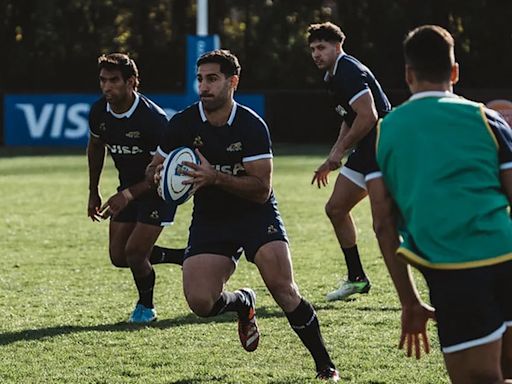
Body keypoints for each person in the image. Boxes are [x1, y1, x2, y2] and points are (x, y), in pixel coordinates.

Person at [146, 49, 339, 381]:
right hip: (211, 217)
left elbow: (261, 189)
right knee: (201, 302)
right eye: (200, 79)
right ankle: (242, 302)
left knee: (283, 288)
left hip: (255, 214)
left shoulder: (250, 125)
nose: (204, 87)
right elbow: (155, 165)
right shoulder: (183, 123)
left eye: (212, 79)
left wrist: (215, 177)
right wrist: (160, 176)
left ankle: (325, 365)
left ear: (232, 82)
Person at [365, 25, 512, 383]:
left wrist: (410, 301)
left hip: (455, 272)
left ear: (408, 75)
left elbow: (383, 225)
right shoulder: (487, 119)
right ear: (455, 72)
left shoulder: (384, 132)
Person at [87, 53, 184, 324]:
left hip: (160, 190)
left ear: (132, 82)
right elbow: (96, 147)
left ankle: (146, 308)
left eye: (114, 80)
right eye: (103, 80)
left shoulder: (153, 119)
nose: (107, 87)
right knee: (118, 256)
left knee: (134, 253)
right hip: (127, 189)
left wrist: (127, 195)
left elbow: (162, 172)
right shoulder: (99, 111)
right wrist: (93, 191)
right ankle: (181, 256)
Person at [307, 22, 392, 301]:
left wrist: (340, 150)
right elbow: (351, 117)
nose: (316, 54)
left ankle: (443, 279)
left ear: (337, 46)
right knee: (335, 208)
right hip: (367, 147)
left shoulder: (348, 71)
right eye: (312, 49)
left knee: (389, 223)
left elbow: (368, 116)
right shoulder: (332, 75)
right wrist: (333, 156)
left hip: (382, 147)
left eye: (322, 48)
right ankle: (357, 278)